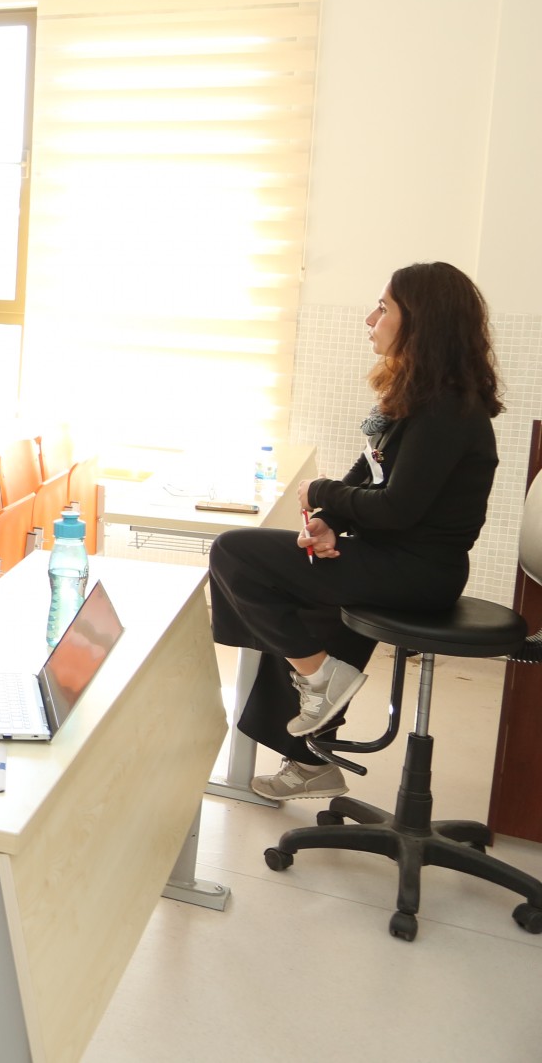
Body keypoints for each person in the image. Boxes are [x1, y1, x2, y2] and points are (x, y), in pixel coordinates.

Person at [210, 262, 503, 802]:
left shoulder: (446, 411)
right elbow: (369, 475)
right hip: (393, 558)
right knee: (297, 597)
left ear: (422, 323)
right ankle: (310, 759)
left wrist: (319, 492)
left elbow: (396, 508)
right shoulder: (418, 398)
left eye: (384, 308)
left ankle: (321, 678)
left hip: (418, 572)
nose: (371, 319)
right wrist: (331, 520)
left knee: (234, 552)